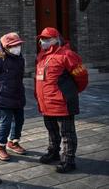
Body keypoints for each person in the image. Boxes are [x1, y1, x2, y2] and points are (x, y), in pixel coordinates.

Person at [35, 27, 88, 173]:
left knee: (67, 133)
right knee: (51, 130)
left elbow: (81, 75)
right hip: (46, 102)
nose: (42, 41)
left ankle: (68, 160)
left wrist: (71, 92)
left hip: (62, 103)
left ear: (55, 40)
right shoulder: (42, 55)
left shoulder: (68, 55)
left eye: (46, 39)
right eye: (42, 39)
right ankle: (53, 152)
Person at [0, 32, 26, 161]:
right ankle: (0, 145)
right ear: (5, 46)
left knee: (19, 119)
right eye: (14, 45)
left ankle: (13, 141)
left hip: (17, 92)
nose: (17, 47)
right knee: (6, 121)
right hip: (3, 94)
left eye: (18, 45)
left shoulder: (19, 56)